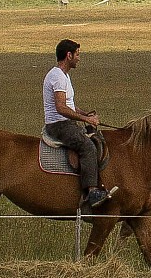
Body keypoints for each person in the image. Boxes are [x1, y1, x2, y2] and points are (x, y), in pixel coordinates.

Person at [43, 39, 109, 211]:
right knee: (87, 146)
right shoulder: (57, 77)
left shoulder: (64, 75)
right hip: (58, 125)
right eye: (77, 54)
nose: (79, 58)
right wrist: (86, 120)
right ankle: (92, 192)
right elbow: (61, 107)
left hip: (65, 121)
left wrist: (84, 113)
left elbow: (70, 105)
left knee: (96, 137)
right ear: (69, 55)